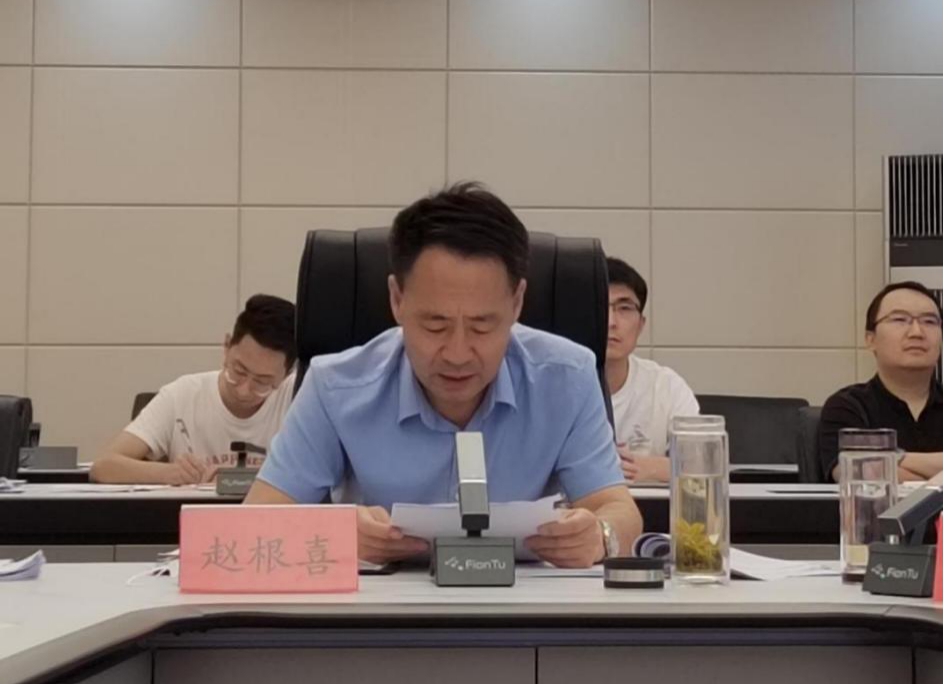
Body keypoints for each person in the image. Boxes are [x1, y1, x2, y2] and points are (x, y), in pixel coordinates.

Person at [245, 183, 643, 568]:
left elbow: (618, 510)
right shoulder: (334, 386)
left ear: (517, 302)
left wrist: (601, 535)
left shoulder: (567, 378)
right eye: (435, 325)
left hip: (522, 607)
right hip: (380, 608)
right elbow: (253, 522)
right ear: (397, 300)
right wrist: (335, 534)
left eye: (482, 326)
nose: (457, 354)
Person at [91, 294, 297, 484]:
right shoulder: (182, 395)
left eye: (262, 382)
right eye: (239, 371)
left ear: (288, 373)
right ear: (226, 347)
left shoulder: (297, 397)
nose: (244, 390)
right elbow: (103, 466)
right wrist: (170, 473)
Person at [818, 282, 942, 483]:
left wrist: (894, 458)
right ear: (871, 339)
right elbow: (858, 474)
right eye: (900, 319)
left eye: (929, 321)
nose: (917, 332)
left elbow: (877, 471)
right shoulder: (847, 406)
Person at [604, 257, 699, 483]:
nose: (611, 322)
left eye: (624, 308)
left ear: (641, 325)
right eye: (599, 306)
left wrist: (652, 468)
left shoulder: (666, 385)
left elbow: (702, 463)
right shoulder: (554, 385)